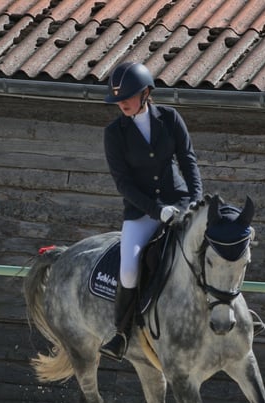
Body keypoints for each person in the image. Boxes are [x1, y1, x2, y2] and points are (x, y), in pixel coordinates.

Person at [99, 61, 203, 361]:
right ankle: (121, 333)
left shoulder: (170, 118)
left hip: (182, 204)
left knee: (213, 250)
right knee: (129, 269)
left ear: (146, 93)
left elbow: (188, 162)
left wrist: (195, 201)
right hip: (142, 212)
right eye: (117, 99)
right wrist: (158, 211)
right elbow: (124, 184)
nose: (122, 103)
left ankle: (236, 313)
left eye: (128, 96)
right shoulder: (114, 133)